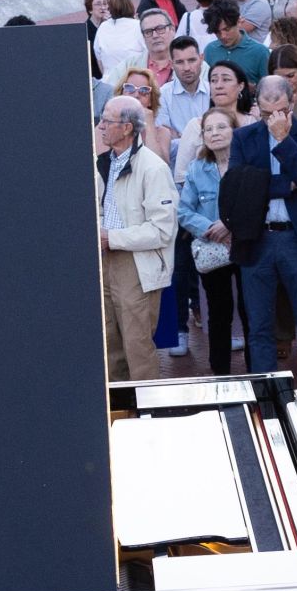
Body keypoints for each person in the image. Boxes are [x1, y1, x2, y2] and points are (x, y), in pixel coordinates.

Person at [234, 75, 297, 423]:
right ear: (257, 107)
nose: (274, 119)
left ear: (292, 105)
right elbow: (241, 190)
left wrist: (283, 141)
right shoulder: (243, 137)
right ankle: (268, 405)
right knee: (259, 330)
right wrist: (285, 182)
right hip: (257, 242)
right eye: (267, 113)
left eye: (281, 112)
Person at [95, 95, 179, 382]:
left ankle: (147, 415)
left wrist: (111, 238)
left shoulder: (154, 168)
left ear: (128, 128)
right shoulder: (102, 163)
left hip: (135, 265)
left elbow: (161, 230)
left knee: (137, 348)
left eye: (107, 120)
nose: (101, 126)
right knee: (109, 346)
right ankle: (117, 414)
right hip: (106, 262)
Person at [177, 108, 244, 374]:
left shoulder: (247, 164)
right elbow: (184, 211)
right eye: (208, 129)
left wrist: (230, 225)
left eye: (221, 127)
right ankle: (220, 376)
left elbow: (258, 203)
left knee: (252, 312)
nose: (214, 133)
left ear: (234, 130)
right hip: (212, 250)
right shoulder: (196, 169)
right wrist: (210, 228)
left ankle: (256, 373)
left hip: (245, 246)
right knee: (218, 315)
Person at [205, 0, 271, 84]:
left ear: (239, 22)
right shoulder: (210, 50)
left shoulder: (260, 52)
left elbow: (269, 90)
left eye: (227, 29)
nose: (223, 36)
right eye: (217, 32)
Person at [93, 0, 145, 76]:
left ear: (110, 8)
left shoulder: (102, 27)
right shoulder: (139, 26)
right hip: (134, 82)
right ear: (130, 6)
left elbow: (99, 59)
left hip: (109, 82)